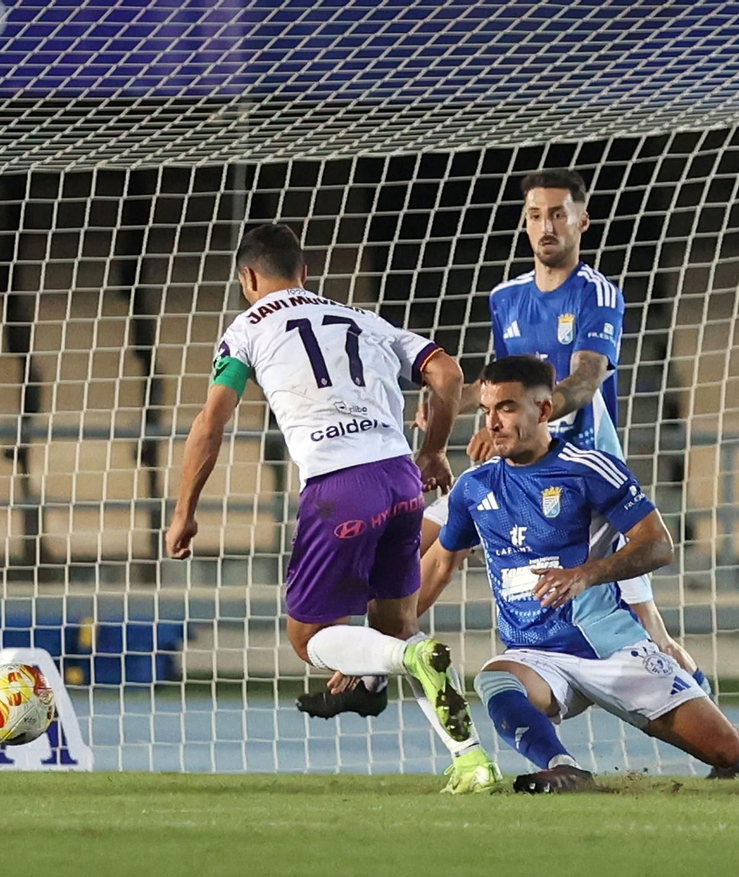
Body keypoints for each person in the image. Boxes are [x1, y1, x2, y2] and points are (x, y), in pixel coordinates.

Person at [301, 169, 704, 732]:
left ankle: (712, 722)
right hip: (517, 472)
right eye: (537, 215)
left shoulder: (597, 294)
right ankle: (374, 670)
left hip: (581, 478)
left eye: (559, 214)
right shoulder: (506, 297)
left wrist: (520, 424)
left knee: (649, 632)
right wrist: (456, 401)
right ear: (524, 222)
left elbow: (585, 382)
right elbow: (502, 382)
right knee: (418, 545)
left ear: (582, 222)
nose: (547, 225)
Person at [429, 355, 739, 793]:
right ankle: (563, 768)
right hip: (538, 655)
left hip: (611, 649)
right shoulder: (476, 486)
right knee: (495, 678)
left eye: (506, 408)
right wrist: (395, 633)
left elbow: (659, 544)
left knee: (729, 752)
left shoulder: (588, 469)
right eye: (487, 410)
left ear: (544, 408)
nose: (492, 422)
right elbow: (440, 562)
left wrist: (587, 574)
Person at [164, 222, 502, 794]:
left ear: (248, 277)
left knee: (308, 638)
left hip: (336, 485)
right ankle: (471, 760)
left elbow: (211, 422)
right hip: (400, 479)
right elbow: (447, 372)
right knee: (395, 625)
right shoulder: (363, 318)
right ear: (306, 272)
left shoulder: (245, 328)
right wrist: (435, 448)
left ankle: (408, 662)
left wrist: (184, 509)